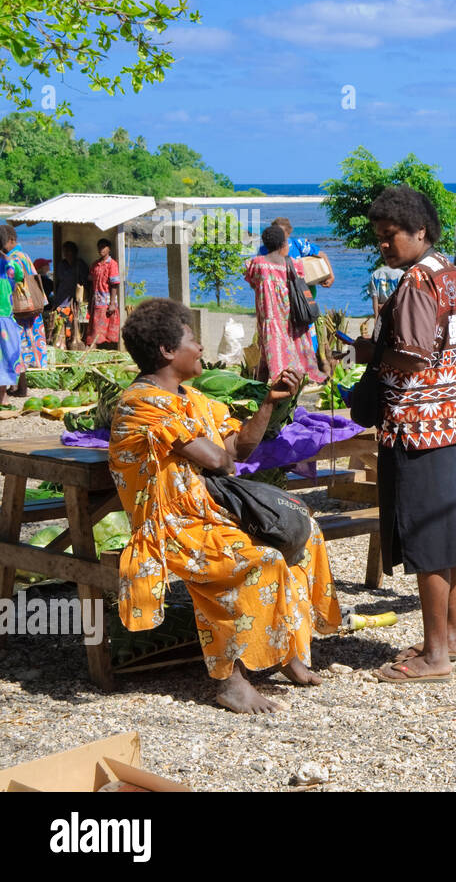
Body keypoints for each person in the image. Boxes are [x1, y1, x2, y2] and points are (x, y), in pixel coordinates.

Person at [110, 298, 340, 713]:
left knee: (307, 534)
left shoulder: (193, 399)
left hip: (210, 513)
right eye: (193, 340)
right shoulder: (140, 403)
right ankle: (229, 680)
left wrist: (271, 403)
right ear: (167, 351)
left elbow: (238, 447)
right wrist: (220, 453)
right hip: (169, 526)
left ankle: (286, 651)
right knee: (258, 562)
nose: (200, 348)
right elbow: (219, 459)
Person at [352, 186, 456, 683]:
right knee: (452, 535)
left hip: (420, 425)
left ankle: (434, 657)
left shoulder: (413, 283)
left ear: (419, 231)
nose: (384, 246)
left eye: (390, 237)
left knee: (428, 540)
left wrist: (370, 353)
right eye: (380, 239)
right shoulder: (451, 274)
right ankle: (451, 636)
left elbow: (410, 353)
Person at [244, 224, 326, 384]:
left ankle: (261, 392)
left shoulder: (257, 263)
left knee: (268, 359)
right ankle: (289, 393)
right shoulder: (294, 264)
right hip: (292, 321)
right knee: (295, 360)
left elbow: (252, 284)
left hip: (269, 320)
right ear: (283, 244)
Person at [0, 224, 50, 376]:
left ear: (12, 240)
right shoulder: (24, 256)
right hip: (32, 304)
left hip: (19, 306)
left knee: (22, 337)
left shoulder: (14, 258)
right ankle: (36, 368)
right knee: (34, 335)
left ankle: (24, 372)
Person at [49, 241, 88, 349]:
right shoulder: (62, 265)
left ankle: (70, 344)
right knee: (60, 324)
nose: (66, 253)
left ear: (75, 252)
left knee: (72, 325)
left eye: (69, 251)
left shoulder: (80, 265)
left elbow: (84, 282)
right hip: (61, 299)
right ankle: (62, 344)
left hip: (74, 300)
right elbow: (58, 282)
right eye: (65, 251)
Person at [85, 238, 121, 348]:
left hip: (107, 302)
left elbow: (114, 284)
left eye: (104, 247)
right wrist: (89, 300)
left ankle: (109, 349)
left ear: (109, 249)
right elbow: (91, 284)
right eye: (99, 247)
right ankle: (96, 349)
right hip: (96, 301)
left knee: (108, 329)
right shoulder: (95, 265)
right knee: (96, 328)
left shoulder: (112, 264)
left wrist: (112, 304)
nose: (101, 249)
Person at [0, 251, 25, 407]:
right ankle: (2, 397)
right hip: (6, 317)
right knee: (5, 357)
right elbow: (19, 278)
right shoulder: (11, 265)